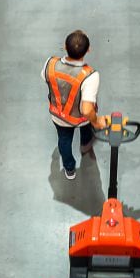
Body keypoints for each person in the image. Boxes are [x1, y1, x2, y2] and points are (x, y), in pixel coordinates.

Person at [44, 30, 108, 180]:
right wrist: (96, 121)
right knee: (87, 130)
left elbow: (45, 78)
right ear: (89, 50)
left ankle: (70, 169)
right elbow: (86, 109)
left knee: (64, 141)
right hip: (81, 119)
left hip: (59, 116)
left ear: (65, 47)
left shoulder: (50, 64)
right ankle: (86, 146)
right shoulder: (90, 76)